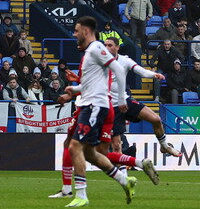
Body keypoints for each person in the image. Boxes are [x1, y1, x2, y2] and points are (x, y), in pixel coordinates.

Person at [50, 36, 166, 198]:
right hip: (102, 107)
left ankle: (73, 192)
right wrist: (76, 81)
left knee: (78, 148)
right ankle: (136, 165)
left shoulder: (100, 61)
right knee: (93, 151)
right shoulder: (96, 61)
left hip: (92, 108)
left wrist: (72, 92)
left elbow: (96, 85)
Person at [55, 17, 136, 207]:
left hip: (95, 106)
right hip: (92, 103)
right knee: (91, 154)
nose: (74, 35)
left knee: (74, 146)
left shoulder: (96, 48)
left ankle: (81, 195)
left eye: (76, 31)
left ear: (85, 30)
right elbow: (91, 84)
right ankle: (126, 181)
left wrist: (123, 99)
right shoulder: (89, 54)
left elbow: (118, 69)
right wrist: (72, 92)